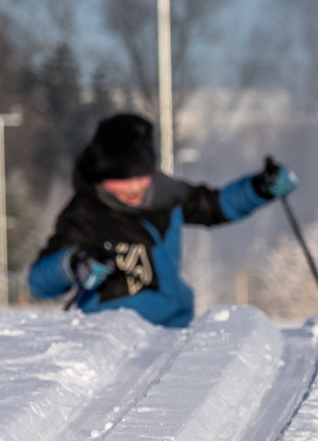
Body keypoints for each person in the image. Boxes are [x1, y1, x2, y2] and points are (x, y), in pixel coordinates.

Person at [26, 113, 299, 327]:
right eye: (123, 179)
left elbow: (216, 206)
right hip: (110, 330)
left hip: (173, 324)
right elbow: (38, 283)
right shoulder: (84, 214)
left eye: (141, 176)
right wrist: (74, 265)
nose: (135, 187)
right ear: (102, 176)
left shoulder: (165, 194)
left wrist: (259, 188)